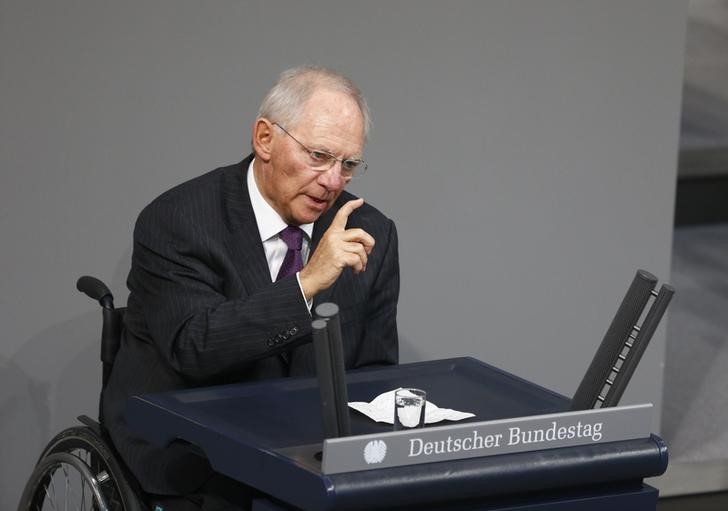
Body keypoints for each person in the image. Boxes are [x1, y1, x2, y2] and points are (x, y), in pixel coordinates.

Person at [102, 66, 400, 510]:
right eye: (319, 155)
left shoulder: (370, 231)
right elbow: (194, 347)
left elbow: (373, 371)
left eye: (348, 164)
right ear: (265, 139)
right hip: (190, 450)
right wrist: (307, 284)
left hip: (301, 456)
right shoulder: (178, 220)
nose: (334, 181)